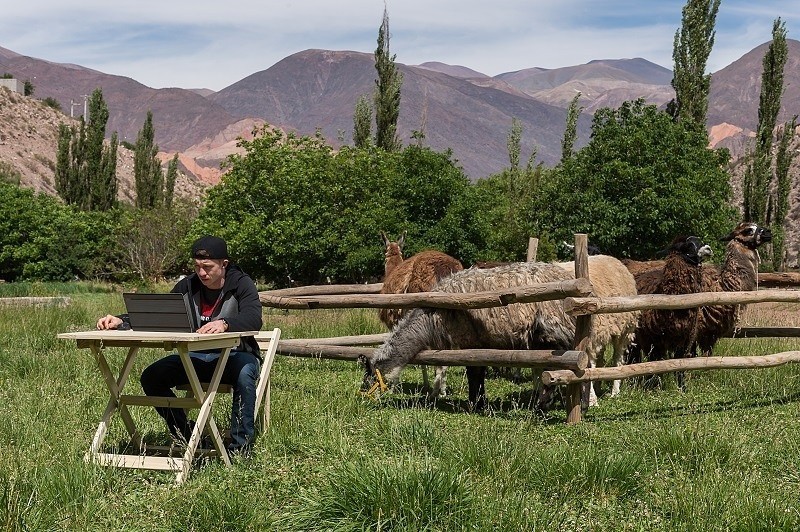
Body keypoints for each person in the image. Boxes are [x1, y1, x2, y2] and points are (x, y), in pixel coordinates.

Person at [97, 235, 263, 456]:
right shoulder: (187, 285)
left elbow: (254, 319)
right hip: (195, 356)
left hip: (235, 356)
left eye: (207, 267)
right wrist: (121, 320)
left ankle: (240, 449)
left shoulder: (242, 283)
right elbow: (161, 315)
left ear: (224, 264)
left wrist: (225, 324)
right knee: (151, 377)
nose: (202, 273)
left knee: (245, 374)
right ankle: (187, 434)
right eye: (197, 267)